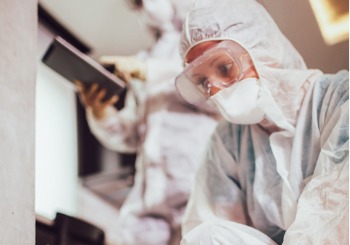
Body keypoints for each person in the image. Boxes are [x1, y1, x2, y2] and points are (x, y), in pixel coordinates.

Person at [173, 0, 349, 244]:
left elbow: (335, 217)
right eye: (204, 82)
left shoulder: (341, 101)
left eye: (224, 68)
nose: (215, 91)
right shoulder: (228, 142)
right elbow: (205, 225)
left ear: (264, 49)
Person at [76, 0, 220, 244]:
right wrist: (101, 111)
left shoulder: (206, 48)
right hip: (149, 201)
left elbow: (213, 93)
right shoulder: (146, 57)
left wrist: (147, 71)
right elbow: (131, 135)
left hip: (199, 194)